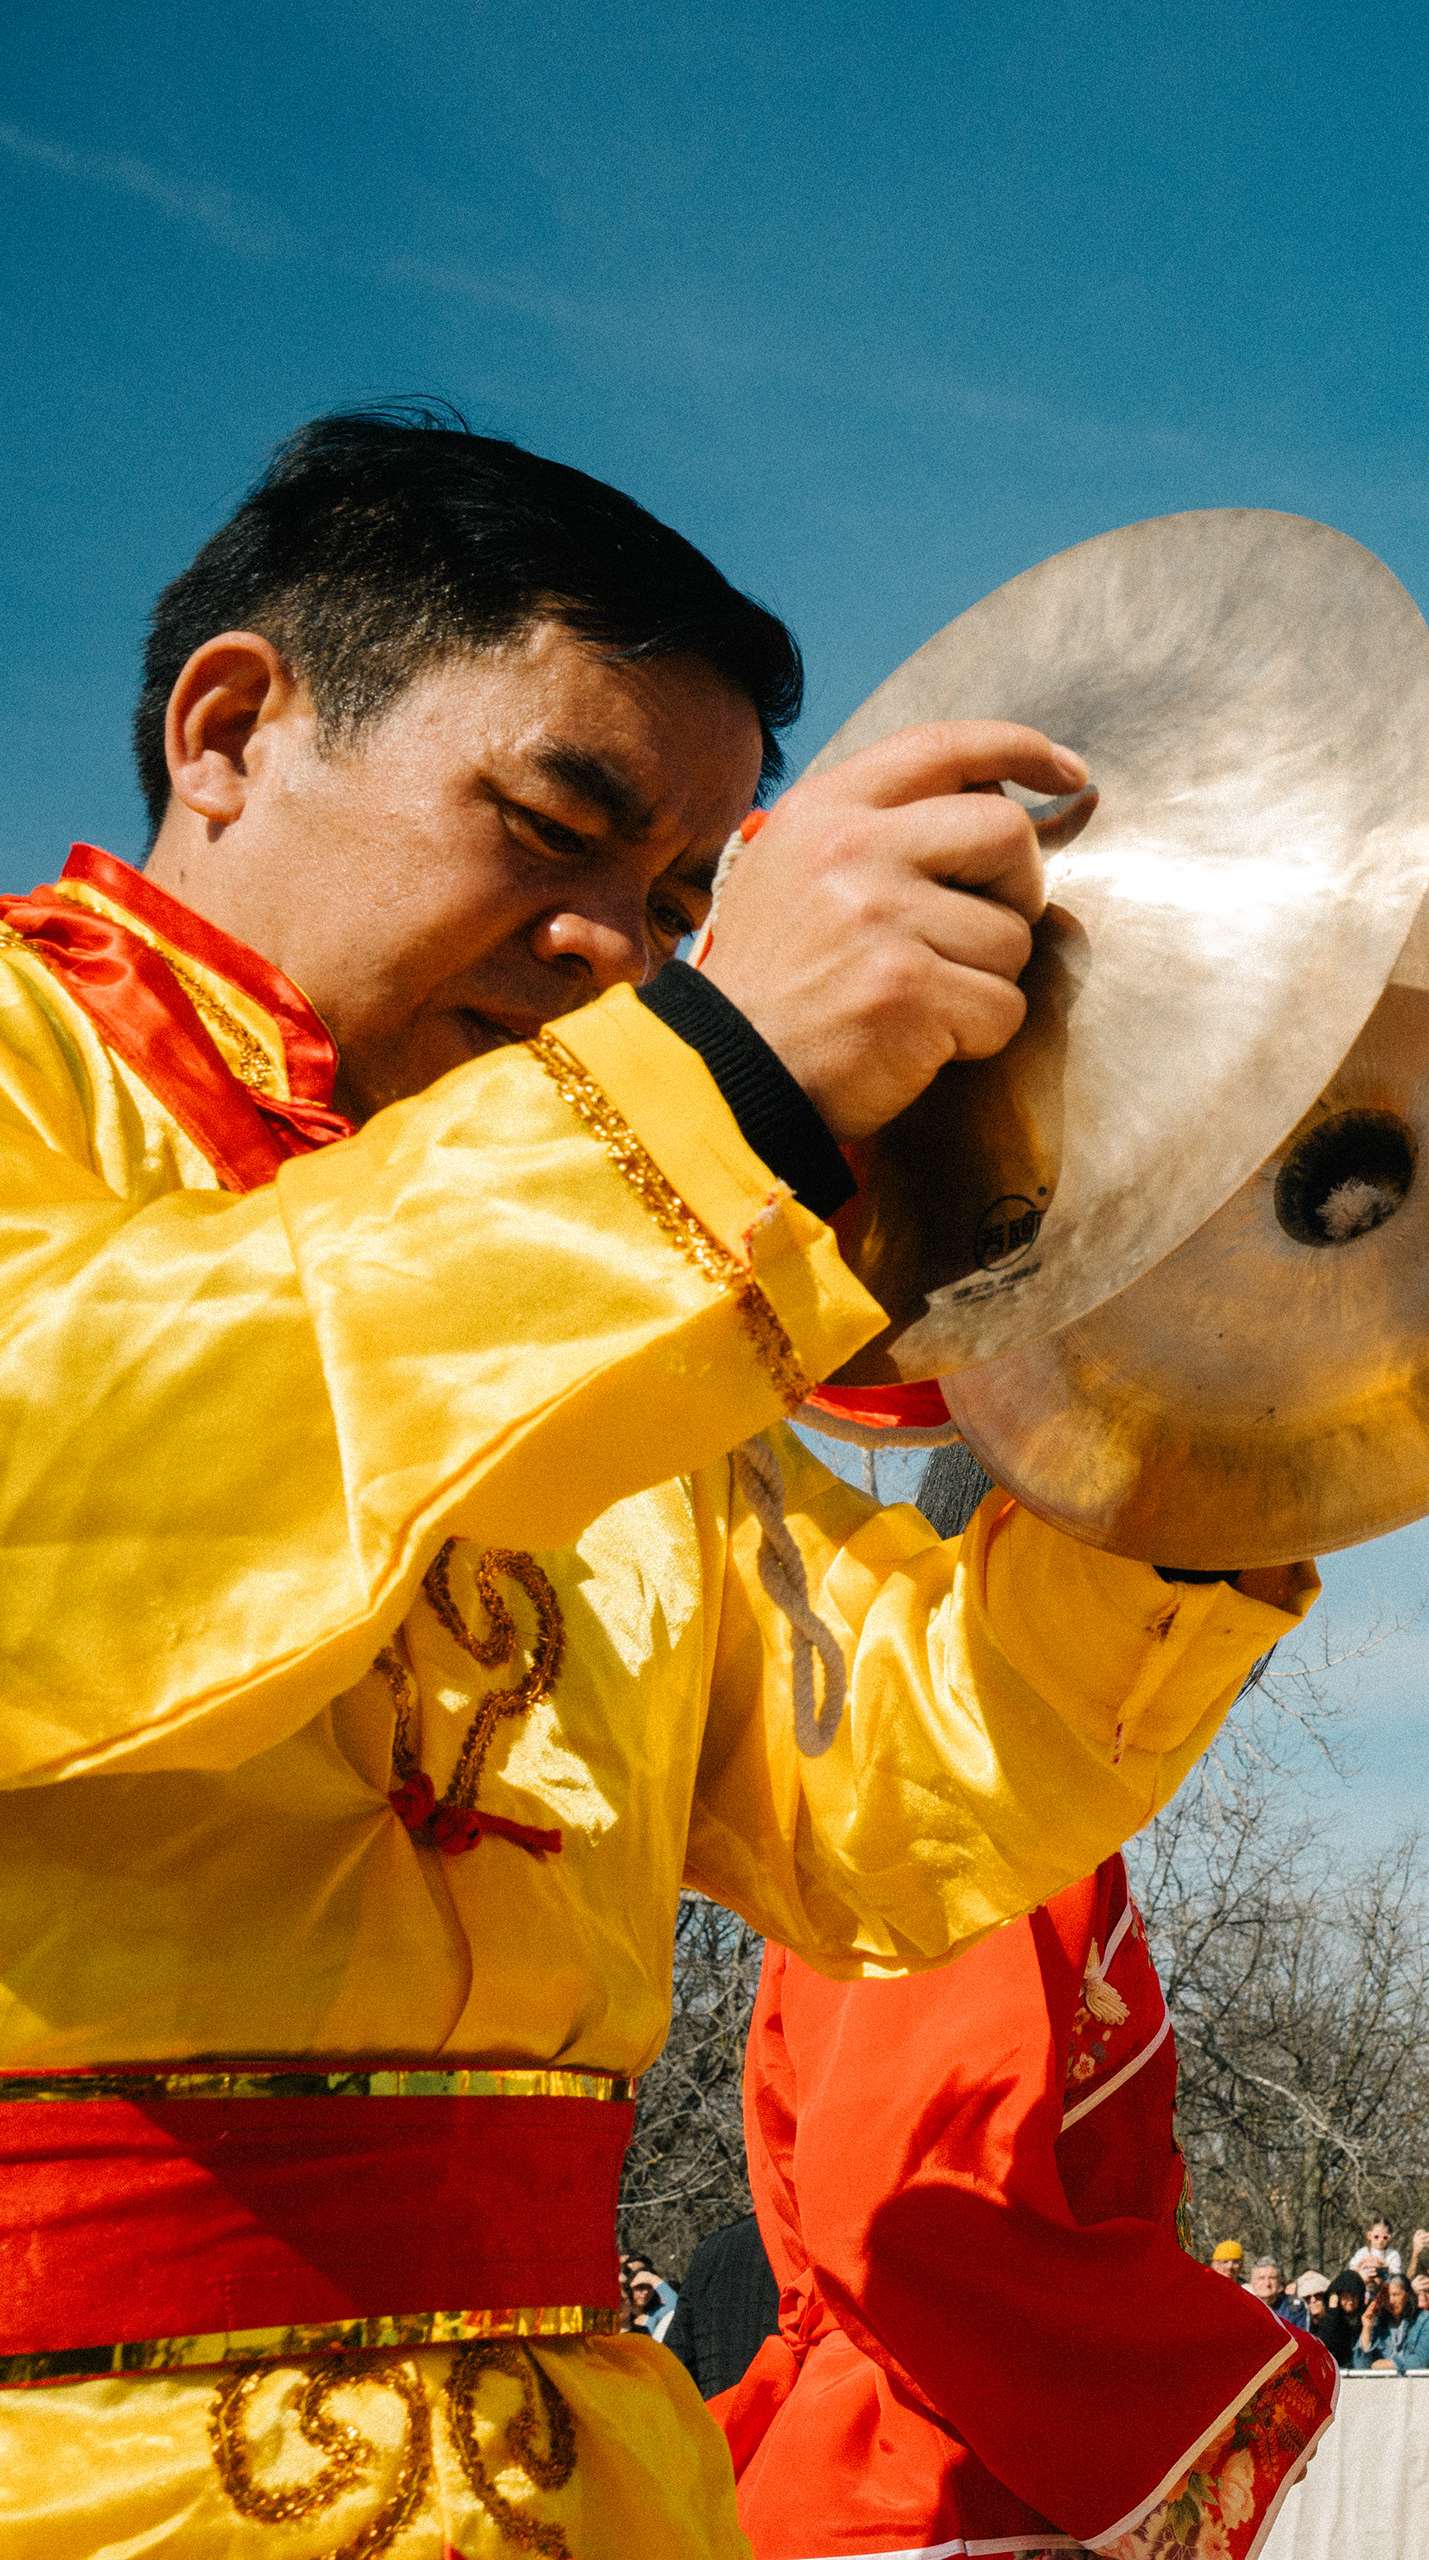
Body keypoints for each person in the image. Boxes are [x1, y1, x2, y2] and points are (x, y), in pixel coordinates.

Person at [0, 407, 1316, 2551]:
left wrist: (1225, 1430)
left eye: (684, 900)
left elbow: (879, 1799)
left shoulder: (634, 1262)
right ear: (229, 730)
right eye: (552, 824)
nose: (621, 951)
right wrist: (715, 1084)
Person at [716, 1853, 1339, 2555]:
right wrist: (1223, 2398)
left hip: (957, 2472)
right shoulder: (965, 1825)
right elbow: (912, 2218)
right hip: (937, 2489)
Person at [671, 2212, 785, 2401]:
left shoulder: (711, 2249)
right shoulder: (805, 2240)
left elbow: (677, 2364)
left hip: (718, 2417)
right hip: (791, 2415)